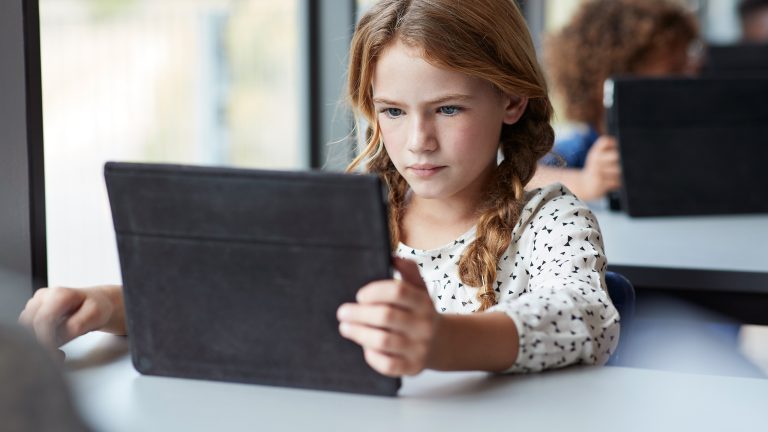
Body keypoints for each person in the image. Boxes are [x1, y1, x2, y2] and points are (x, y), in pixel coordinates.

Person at [19, 0, 619, 377]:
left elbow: (584, 317)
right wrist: (114, 304)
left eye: (450, 109)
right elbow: (248, 295)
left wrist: (439, 340)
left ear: (512, 100)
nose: (418, 142)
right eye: (393, 111)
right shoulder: (346, 212)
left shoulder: (549, 219)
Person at [528, 0, 700, 202]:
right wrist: (586, 182)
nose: (691, 84)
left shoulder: (686, 143)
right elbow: (525, 178)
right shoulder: (586, 150)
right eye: (673, 73)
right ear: (606, 85)